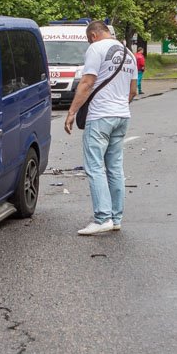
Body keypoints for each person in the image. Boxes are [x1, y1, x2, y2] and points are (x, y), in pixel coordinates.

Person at [64, 21, 137, 235]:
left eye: (88, 39)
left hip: (100, 117)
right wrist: (118, 106)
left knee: (95, 167)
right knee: (115, 168)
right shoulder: (129, 54)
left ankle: (102, 217)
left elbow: (87, 83)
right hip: (122, 116)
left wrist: (71, 112)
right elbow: (132, 91)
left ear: (94, 35)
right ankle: (116, 218)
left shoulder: (96, 49)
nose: (89, 42)